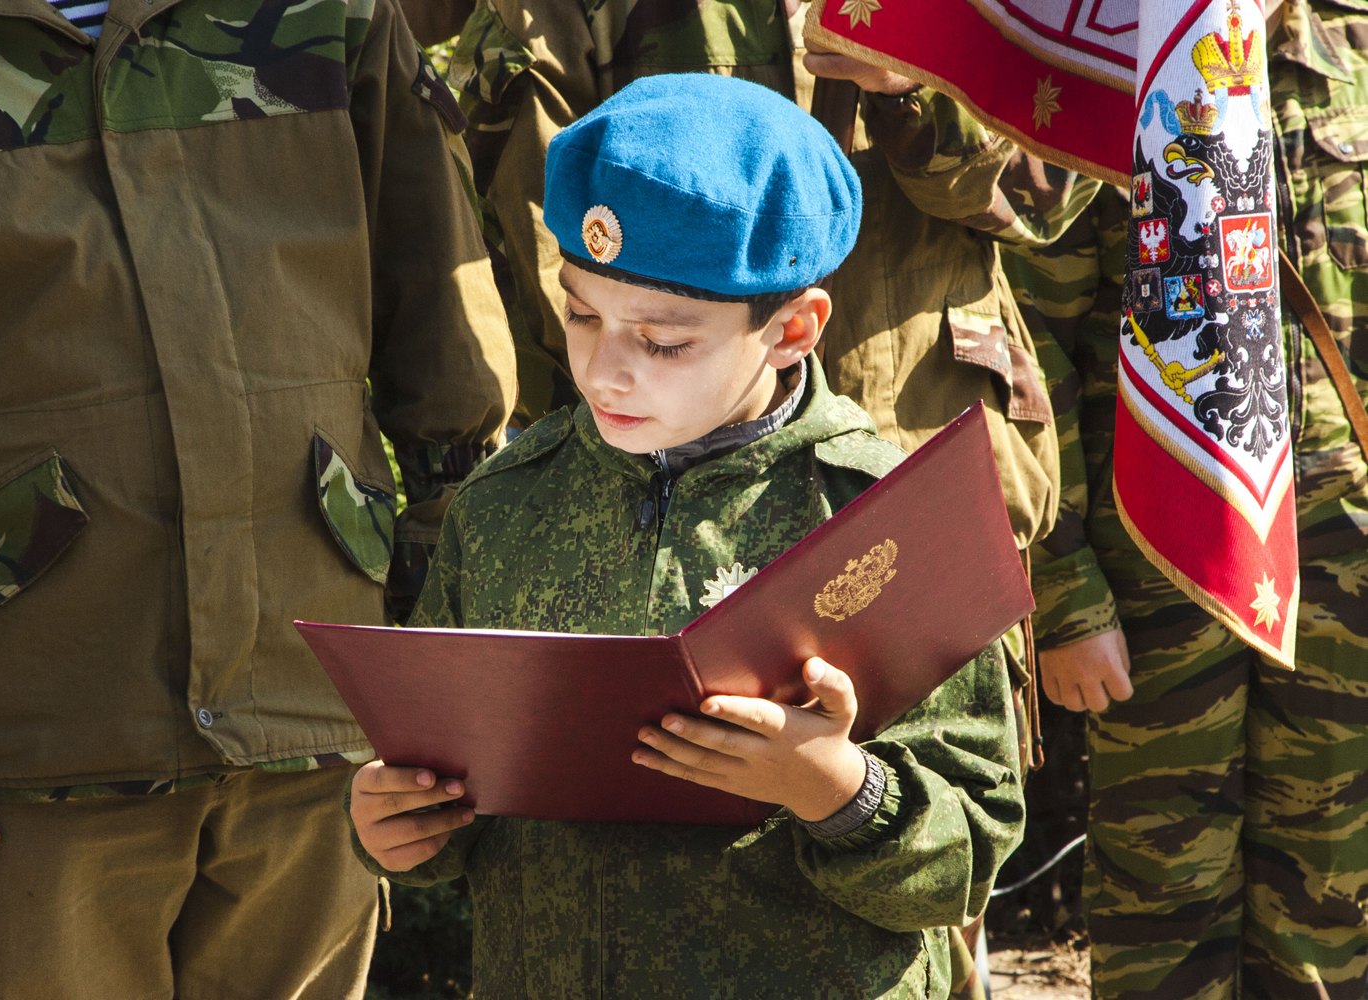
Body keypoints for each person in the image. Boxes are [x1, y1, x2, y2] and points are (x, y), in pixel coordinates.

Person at [0, 0, 517, 994]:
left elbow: (444, 340)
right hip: (7, 751)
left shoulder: (330, 13)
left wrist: (444, 656)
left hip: (310, 712)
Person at [348, 73, 1025, 998]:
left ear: (793, 329)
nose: (604, 372)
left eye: (664, 342)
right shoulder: (504, 505)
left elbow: (971, 852)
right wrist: (397, 826)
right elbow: (443, 797)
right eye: (580, 313)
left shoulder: (884, 522)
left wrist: (837, 788)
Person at [1015, 3, 1368, 994]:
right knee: (1162, 888)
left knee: (1334, 888)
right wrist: (1064, 592)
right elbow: (1031, 346)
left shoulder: (1352, 48)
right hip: (1159, 543)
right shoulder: (1114, 49)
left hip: (1342, 544)